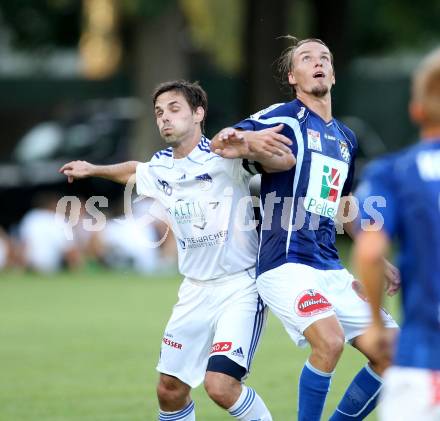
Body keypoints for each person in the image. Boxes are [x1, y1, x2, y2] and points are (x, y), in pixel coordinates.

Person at [59, 80, 294, 421]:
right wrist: (93, 169)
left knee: (221, 386)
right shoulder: (161, 165)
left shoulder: (224, 154)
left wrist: (251, 142)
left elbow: (280, 163)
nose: (164, 118)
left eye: (173, 109)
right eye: (158, 113)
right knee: (169, 390)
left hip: (239, 287)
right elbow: (135, 171)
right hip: (194, 290)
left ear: (198, 113)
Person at [211, 37, 399, 420]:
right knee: (329, 343)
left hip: (329, 267)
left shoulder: (345, 138)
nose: (318, 63)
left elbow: (342, 205)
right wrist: (243, 140)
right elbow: (222, 142)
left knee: (393, 351)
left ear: (332, 73)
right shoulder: (284, 117)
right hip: (286, 265)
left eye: (324, 58)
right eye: (306, 58)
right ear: (292, 76)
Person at [354, 48, 440, 420]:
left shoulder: (391, 172)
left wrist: (375, 324)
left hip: (421, 362)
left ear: (416, 110)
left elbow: (371, 250)